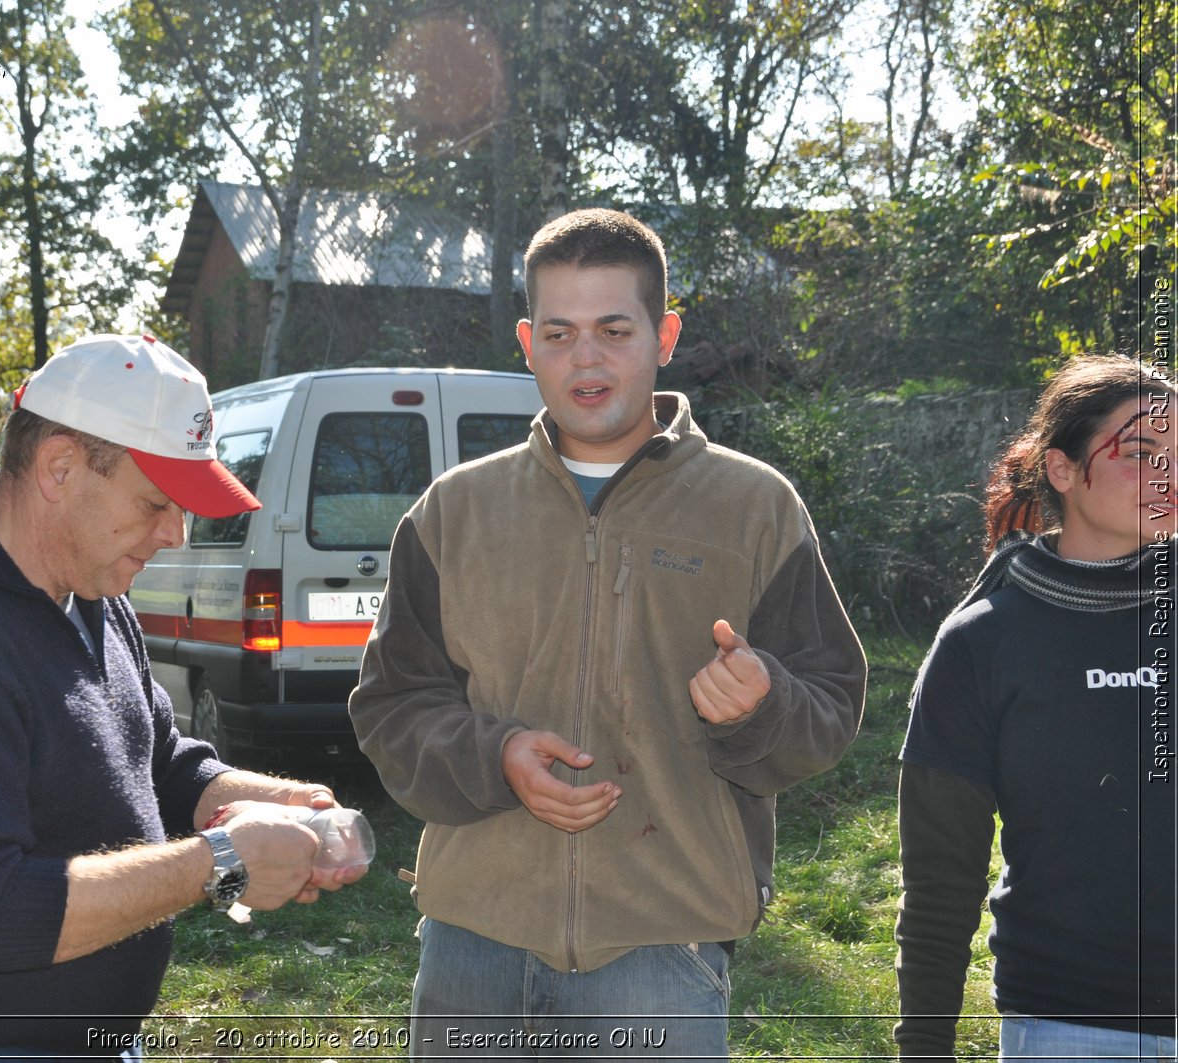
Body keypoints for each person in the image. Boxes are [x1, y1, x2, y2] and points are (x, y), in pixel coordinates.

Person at [348, 208, 867, 1059]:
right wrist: (496, 756)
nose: (585, 357)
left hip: (663, 948)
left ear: (664, 335)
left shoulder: (756, 507)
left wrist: (760, 704)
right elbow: (391, 706)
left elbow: (833, 708)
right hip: (472, 941)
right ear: (526, 340)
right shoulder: (453, 511)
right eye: (559, 332)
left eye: (613, 329)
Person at [0, 334, 365, 1059]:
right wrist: (223, 860)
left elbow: (156, 761)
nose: (173, 533)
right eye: (155, 502)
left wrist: (279, 801)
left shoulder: (88, 588)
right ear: (60, 467)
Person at [896, 354, 1177, 1062]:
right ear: (1061, 469)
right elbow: (939, 883)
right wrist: (925, 1047)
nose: (1168, 475)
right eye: (1142, 451)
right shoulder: (984, 640)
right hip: (1073, 1027)